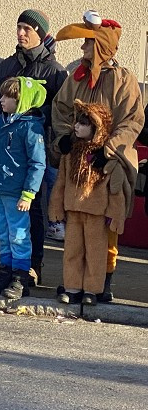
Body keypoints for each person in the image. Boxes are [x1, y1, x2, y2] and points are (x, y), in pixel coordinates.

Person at [50, 12, 144, 303]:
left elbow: (132, 120)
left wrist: (109, 149)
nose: (82, 49)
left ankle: (102, 283)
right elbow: (61, 109)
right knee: (76, 231)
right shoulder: (76, 78)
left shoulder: (122, 80)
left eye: (88, 43)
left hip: (110, 163)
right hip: (78, 163)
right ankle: (75, 284)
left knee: (106, 230)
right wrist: (67, 136)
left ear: (101, 46)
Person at [0, 9, 67, 275]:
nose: (21, 33)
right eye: (19, 27)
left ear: (41, 34)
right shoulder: (7, 65)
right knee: (6, 218)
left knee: (31, 208)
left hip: (35, 148)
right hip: (5, 151)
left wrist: (32, 119)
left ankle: (32, 265)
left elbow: (60, 113)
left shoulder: (54, 70)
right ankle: (8, 264)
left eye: (28, 29)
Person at [50, 101, 132, 305]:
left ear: (96, 127)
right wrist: (56, 207)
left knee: (96, 254)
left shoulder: (105, 158)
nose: (76, 127)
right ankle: (72, 287)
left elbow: (114, 190)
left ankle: (93, 290)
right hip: (73, 211)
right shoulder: (70, 153)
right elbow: (60, 182)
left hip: (96, 213)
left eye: (83, 124)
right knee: (72, 251)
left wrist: (116, 213)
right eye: (76, 123)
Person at [0, 76, 47, 300]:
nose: (1, 100)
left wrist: (29, 193)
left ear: (20, 100)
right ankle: (6, 268)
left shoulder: (31, 127)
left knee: (19, 233)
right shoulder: (2, 121)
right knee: (2, 231)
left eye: (7, 96)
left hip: (17, 192)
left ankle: (21, 275)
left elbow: (37, 163)